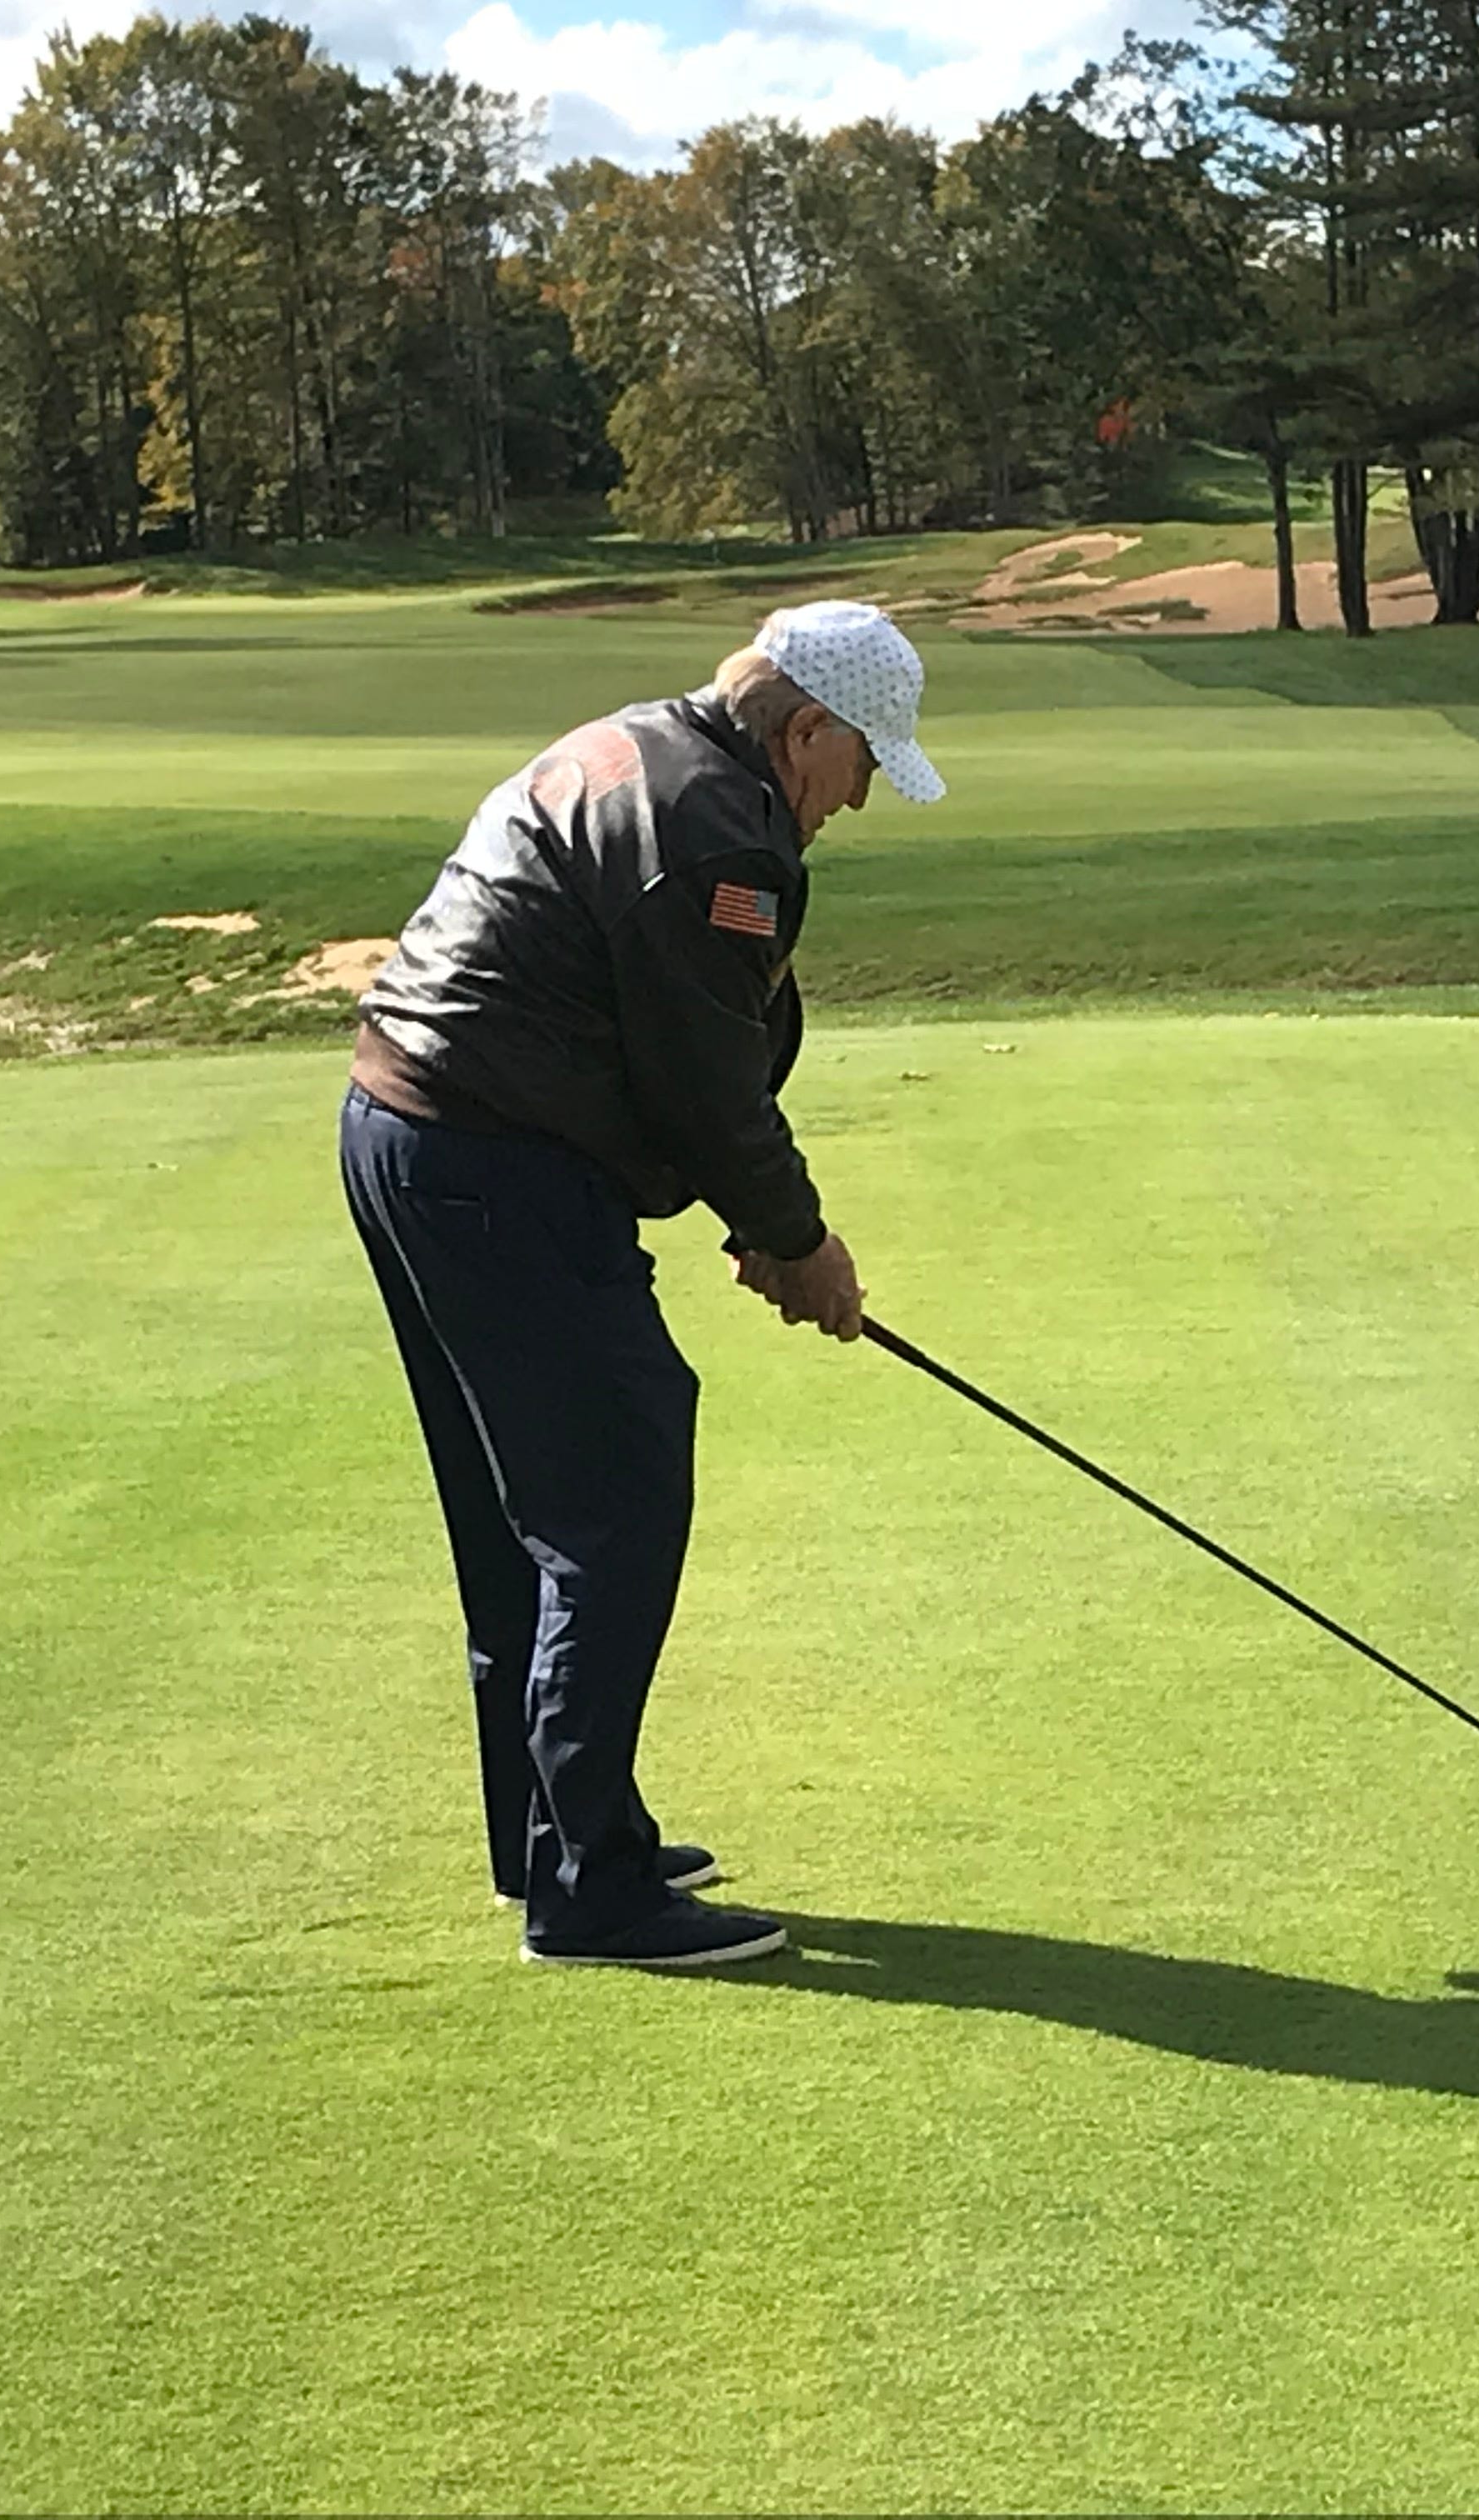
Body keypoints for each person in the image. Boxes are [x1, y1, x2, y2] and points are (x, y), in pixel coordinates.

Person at [339, 600, 944, 1969]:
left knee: (531, 1515)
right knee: (612, 1490)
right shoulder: (723, 832)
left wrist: (755, 1219)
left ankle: (553, 1831)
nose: (856, 801)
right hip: (492, 1160)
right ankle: (590, 1890)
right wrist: (800, 1243)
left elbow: (663, 1058)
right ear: (805, 731)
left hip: (412, 1133)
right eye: (861, 766)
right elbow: (706, 1080)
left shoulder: (643, 747)